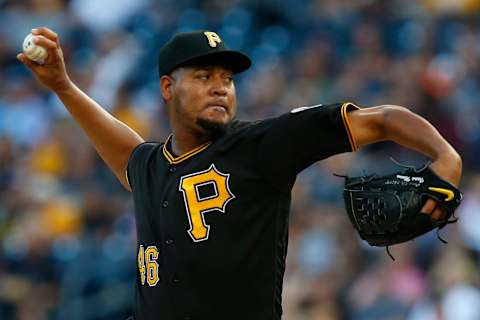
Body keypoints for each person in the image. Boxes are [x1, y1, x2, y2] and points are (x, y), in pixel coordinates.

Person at [18, 27, 462, 320]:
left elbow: (381, 118)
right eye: (204, 75)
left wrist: (446, 156)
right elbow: (125, 148)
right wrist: (63, 85)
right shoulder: (152, 168)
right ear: (168, 88)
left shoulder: (260, 146)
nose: (220, 86)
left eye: (227, 79)